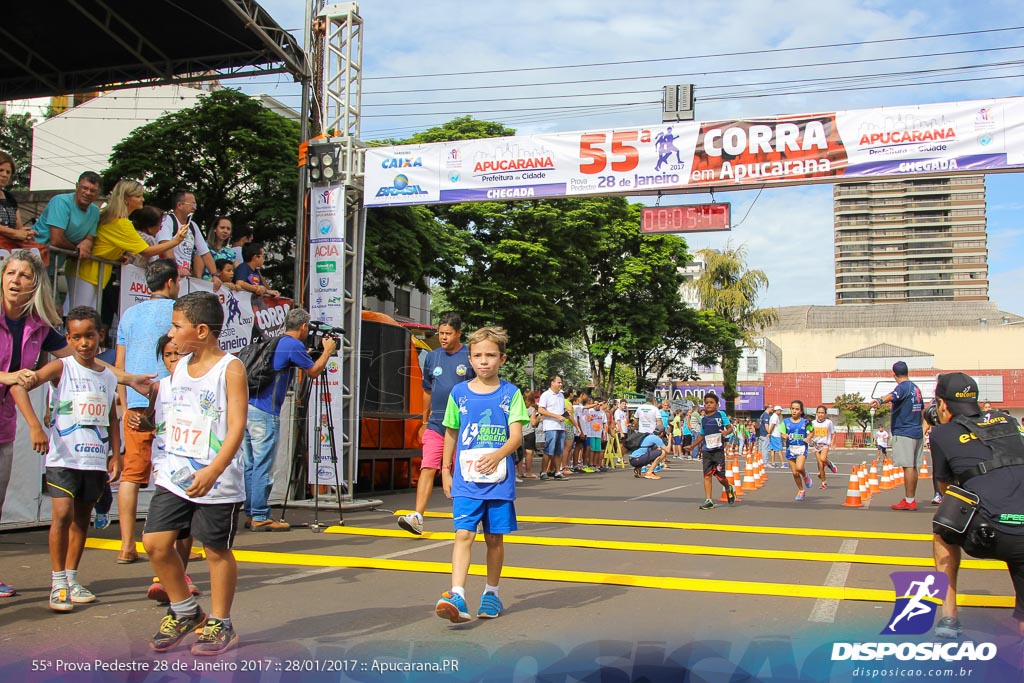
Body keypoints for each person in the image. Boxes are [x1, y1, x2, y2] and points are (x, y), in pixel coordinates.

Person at [142, 291, 247, 655]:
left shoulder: (230, 368)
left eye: (176, 326)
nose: (171, 334)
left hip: (216, 480)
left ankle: (221, 622)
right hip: (176, 474)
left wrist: (214, 470)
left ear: (202, 330)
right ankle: (185, 609)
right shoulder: (180, 366)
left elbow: (236, 426)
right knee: (155, 543)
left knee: (216, 549)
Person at [1, 306, 119, 612]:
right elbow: (17, 386)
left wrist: (116, 454)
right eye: (76, 337)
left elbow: (112, 415)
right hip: (63, 457)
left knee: (82, 521)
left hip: (93, 461)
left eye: (89, 336)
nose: (84, 343)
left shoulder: (107, 376)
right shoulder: (62, 367)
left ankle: (71, 578)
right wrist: (35, 426)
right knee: (62, 515)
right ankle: (57, 583)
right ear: (68, 338)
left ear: (100, 336)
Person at [434, 326, 526, 623]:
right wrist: (445, 470)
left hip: (498, 481)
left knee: (494, 539)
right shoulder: (459, 393)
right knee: (463, 534)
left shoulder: (511, 394)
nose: (484, 361)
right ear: (469, 359)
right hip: (466, 479)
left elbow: (516, 436)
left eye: (490, 355)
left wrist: (498, 454)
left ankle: (491, 593)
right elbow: (451, 432)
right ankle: (457, 594)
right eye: (477, 355)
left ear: (502, 358)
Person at [928, 372, 1024, 640]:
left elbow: (948, 491)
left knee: (943, 525)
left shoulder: (941, 434)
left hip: (989, 533)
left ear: (942, 404)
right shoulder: (1008, 420)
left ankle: (949, 617)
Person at [243, 308, 336, 531]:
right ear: (303, 327)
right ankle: (260, 515)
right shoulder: (293, 345)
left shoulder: (276, 341)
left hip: (248, 409)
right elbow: (313, 371)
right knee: (263, 465)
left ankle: (250, 512)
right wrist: (327, 352)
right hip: (266, 413)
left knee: (250, 465)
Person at [114, 259, 179, 563]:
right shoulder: (180, 313)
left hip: (135, 399)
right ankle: (174, 545)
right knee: (175, 471)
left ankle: (127, 545)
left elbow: (119, 365)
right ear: (170, 283)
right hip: (171, 399)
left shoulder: (129, 314)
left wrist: (124, 404)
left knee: (131, 474)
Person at [398, 312, 474, 534]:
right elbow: (427, 391)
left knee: (463, 470)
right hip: (436, 423)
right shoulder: (432, 357)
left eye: (448, 333)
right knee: (428, 467)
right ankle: (417, 517)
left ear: (458, 333)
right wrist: (423, 421)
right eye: (441, 333)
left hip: (462, 425)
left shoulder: (470, 356)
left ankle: (469, 518)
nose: (443, 337)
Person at [138, 335, 200, 602]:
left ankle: (180, 574)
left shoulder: (199, 384)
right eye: (168, 355)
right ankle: (163, 577)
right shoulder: (158, 388)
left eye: (178, 354)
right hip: (164, 461)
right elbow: (152, 421)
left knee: (185, 526)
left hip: (192, 460)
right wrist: (141, 424)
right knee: (164, 522)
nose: (173, 360)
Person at [64, 180, 186, 313]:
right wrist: (176, 241)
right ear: (127, 199)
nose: (142, 199)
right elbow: (146, 251)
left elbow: (105, 244)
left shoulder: (115, 218)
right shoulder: (120, 222)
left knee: (83, 314)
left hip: (90, 271)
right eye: (138, 196)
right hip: (87, 271)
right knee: (80, 315)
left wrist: (117, 256)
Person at [871, 361, 924, 511]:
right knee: (913, 466)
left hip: (904, 431)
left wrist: (880, 400)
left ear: (894, 375)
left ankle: (909, 500)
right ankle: (910, 498)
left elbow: (893, 396)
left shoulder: (903, 387)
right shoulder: (916, 388)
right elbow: (922, 410)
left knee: (908, 466)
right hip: (916, 430)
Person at [154, 189, 221, 287]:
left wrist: (214, 275)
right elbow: (165, 246)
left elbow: (205, 252)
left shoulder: (193, 226)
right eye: (192, 204)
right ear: (180, 205)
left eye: (195, 205)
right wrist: (175, 269)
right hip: (166, 277)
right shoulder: (167, 220)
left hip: (184, 279)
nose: (194, 208)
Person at [31, 171, 100, 256]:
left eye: (92, 190)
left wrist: (86, 244)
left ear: (98, 193)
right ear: (77, 186)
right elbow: (56, 240)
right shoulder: (61, 202)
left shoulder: (95, 211)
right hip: (35, 255)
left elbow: (89, 238)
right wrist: (77, 250)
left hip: (55, 259)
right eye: (84, 188)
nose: (88, 193)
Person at [685, 393, 735, 510]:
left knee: (720, 477)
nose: (708, 404)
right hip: (707, 451)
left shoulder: (721, 414)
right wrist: (692, 446)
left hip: (718, 451)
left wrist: (726, 433)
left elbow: (730, 428)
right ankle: (708, 500)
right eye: (706, 402)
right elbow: (702, 435)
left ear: (717, 405)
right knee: (707, 475)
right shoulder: (703, 419)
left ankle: (728, 488)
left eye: (711, 402)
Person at [780, 400, 814, 501]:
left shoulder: (805, 421)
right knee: (795, 473)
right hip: (790, 449)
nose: (794, 411)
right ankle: (801, 490)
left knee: (799, 468)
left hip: (801, 448)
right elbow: (782, 432)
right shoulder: (785, 422)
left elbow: (812, 432)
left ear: (801, 411)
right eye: (792, 409)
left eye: (797, 409)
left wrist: (808, 438)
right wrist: (784, 435)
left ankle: (805, 475)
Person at [0, 151, 35, 246]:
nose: (5, 175)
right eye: (1, 170)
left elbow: (18, 227)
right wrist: (14, 233)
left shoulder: (9, 198)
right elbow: (15, 232)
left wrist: (25, 233)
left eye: (8, 172)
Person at [536, 375, 567, 480]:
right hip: (550, 426)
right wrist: (556, 416)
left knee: (559, 451)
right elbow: (541, 410)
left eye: (561, 382)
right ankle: (543, 472)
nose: (560, 384)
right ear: (552, 383)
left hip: (561, 426)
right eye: (558, 382)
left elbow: (563, 410)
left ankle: (557, 471)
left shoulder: (561, 396)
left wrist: (565, 415)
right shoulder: (546, 395)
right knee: (549, 450)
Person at [810, 405, 838, 489]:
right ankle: (823, 482)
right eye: (819, 412)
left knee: (823, 458)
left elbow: (833, 433)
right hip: (816, 445)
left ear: (825, 414)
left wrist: (832, 443)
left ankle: (830, 464)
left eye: (822, 413)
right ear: (816, 413)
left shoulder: (828, 422)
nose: (820, 414)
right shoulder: (813, 423)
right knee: (820, 465)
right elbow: (811, 433)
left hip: (825, 444)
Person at [520, 391, 540, 478]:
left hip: (520, 432)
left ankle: (520, 472)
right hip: (529, 432)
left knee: (520, 453)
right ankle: (528, 472)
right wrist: (538, 419)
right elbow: (533, 423)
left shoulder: (520, 408)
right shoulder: (532, 410)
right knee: (529, 453)